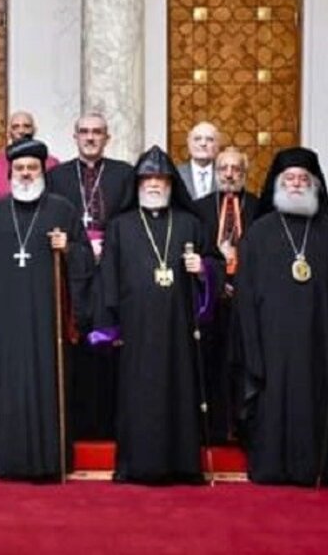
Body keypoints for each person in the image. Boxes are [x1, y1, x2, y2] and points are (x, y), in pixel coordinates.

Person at [234, 147, 328, 486]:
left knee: (314, 401)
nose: (295, 184)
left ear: (314, 185)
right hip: (271, 342)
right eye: (289, 178)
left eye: (302, 179)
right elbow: (245, 294)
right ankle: (271, 468)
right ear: (278, 184)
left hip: (316, 341)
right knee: (272, 402)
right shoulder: (258, 234)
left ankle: (318, 467)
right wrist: (252, 346)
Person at [0, 139, 91, 480]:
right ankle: (5, 459)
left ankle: (49, 460)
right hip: (4, 320)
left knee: (48, 384)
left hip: (46, 321)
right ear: (9, 173)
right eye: (19, 168)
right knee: (4, 386)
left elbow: (86, 260)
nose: (25, 173)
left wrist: (69, 249)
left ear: (42, 171)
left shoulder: (62, 210)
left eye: (32, 168)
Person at [91, 145, 220, 485]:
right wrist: (110, 327)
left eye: (160, 179)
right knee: (139, 395)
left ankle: (183, 466)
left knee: (180, 391)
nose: (153, 184)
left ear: (171, 184)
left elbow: (215, 264)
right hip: (136, 329)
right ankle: (137, 465)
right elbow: (108, 277)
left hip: (180, 328)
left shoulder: (190, 224)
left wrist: (203, 269)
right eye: (146, 178)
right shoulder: (120, 226)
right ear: (137, 184)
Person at [45, 112, 135, 441]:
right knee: (76, 344)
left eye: (97, 132)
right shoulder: (57, 176)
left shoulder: (124, 174)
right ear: (75, 137)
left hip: (114, 269)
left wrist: (108, 247)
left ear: (107, 137)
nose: (90, 137)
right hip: (72, 273)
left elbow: (130, 221)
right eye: (84, 132)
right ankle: (76, 423)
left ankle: (111, 422)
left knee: (111, 343)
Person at [192, 146, 258, 443]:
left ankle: (243, 426)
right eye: (223, 169)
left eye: (236, 169)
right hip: (210, 301)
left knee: (242, 364)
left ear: (245, 173)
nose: (230, 175)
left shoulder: (259, 208)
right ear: (215, 172)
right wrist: (217, 281)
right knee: (212, 364)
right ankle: (214, 429)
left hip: (248, 300)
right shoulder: (199, 209)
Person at [0, 111, 60, 207]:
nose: (21, 131)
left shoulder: (51, 163)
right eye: (15, 127)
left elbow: (57, 198)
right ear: (8, 132)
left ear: (34, 130)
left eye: (26, 126)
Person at [177, 122, 221, 199]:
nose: (203, 143)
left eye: (209, 139)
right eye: (197, 139)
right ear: (189, 144)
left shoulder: (226, 174)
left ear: (217, 145)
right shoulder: (175, 174)